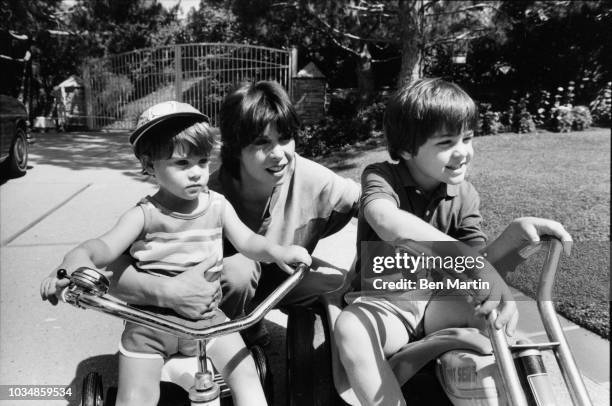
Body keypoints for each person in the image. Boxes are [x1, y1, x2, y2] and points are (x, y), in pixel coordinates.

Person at [40, 100, 311, 406]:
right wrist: (69, 267)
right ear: (148, 164)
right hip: (150, 325)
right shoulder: (144, 215)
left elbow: (249, 241)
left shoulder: (217, 205)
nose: (196, 173)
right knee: (136, 397)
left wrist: (278, 251)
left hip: (207, 319)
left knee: (246, 375)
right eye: (182, 164)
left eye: (202, 161)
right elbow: (99, 248)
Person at [333, 78, 573, 406]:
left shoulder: (464, 194)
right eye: (446, 142)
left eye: (468, 138)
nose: (463, 152)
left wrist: (513, 236)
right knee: (351, 328)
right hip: (387, 303)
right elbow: (384, 220)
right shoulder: (381, 176)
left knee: (499, 316)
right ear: (406, 149)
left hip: (437, 301)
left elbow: (478, 261)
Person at [102, 80, 362, 345]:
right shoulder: (203, 196)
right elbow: (114, 267)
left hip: (284, 278)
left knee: (343, 287)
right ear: (235, 147)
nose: (280, 154)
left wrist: (383, 271)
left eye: (285, 138)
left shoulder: (311, 178)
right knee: (239, 270)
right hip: (217, 291)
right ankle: (222, 339)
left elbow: (373, 205)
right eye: (262, 143)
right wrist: (166, 291)